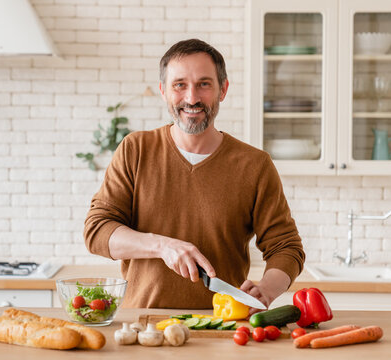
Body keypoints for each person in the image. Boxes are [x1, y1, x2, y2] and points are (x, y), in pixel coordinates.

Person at [84, 39, 305, 310]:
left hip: (223, 328)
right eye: (180, 85)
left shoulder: (255, 165)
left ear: (222, 90)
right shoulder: (135, 150)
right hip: (143, 326)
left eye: (204, 84)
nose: (191, 98)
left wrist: (267, 288)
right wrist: (162, 247)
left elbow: (287, 247)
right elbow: (97, 231)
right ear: (164, 90)